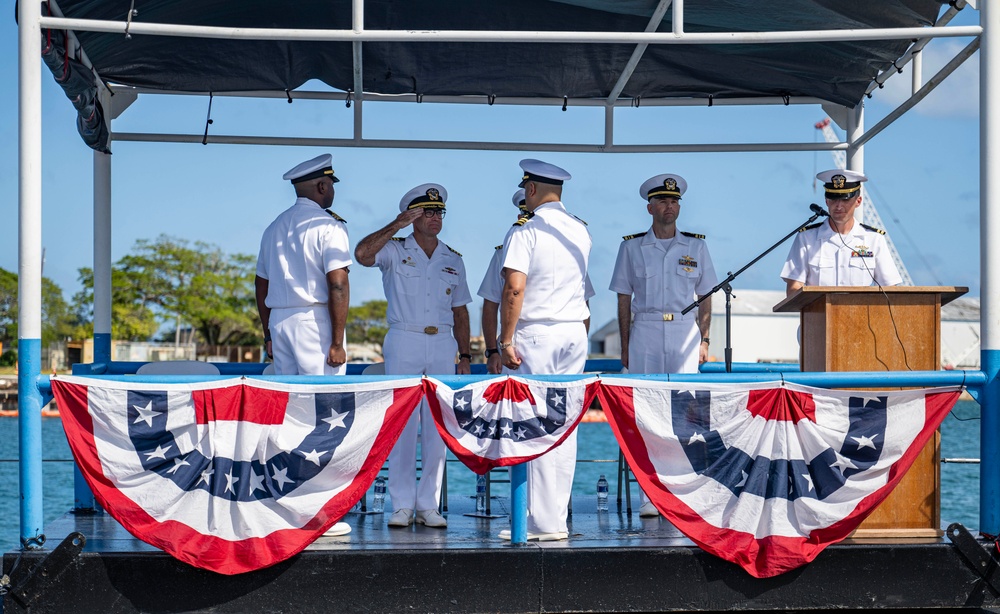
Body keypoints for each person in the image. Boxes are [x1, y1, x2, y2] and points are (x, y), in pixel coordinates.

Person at [354, 183, 473, 530]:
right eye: (427, 212)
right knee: (403, 424)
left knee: (438, 425)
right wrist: (396, 224)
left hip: (443, 343)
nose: (435, 217)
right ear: (413, 215)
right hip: (404, 338)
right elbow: (362, 255)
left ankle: (428, 503)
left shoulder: (453, 259)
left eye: (439, 212)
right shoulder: (394, 249)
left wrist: (464, 354)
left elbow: (461, 310)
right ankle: (402, 503)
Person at [609, 173, 717, 518]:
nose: (669, 206)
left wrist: (705, 340)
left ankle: (684, 489)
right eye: (663, 201)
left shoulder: (696, 246)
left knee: (688, 412)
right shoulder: (632, 247)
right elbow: (623, 300)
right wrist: (625, 346)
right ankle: (648, 491)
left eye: (674, 201)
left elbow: (707, 297)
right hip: (646, 331)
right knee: (646, 411)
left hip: (685, 331)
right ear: (650, 207)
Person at [255, 153, 352, 537]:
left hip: (281, 320)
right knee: (325, 417)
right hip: (316, 321)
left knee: (291, 415)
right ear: (322, 186)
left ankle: (290, 503)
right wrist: (338, 340)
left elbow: (260, 285)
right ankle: (318, 512)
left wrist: (267, 334)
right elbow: (338, 284)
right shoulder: (328, 227)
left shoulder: (274, 227)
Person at [497, 159, 592, 541]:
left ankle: (538, 522)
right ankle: (556, 520)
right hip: (574, 332)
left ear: (530, 190)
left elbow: (514, 288)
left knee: (532, 424)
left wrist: (505, 340)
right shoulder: (581, 231)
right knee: (564, 426)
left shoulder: (526, 229)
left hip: (537, 333)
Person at [781, 169, 903, 296]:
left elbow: (889, 289)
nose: (838, 206)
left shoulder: (873, 239)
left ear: (858, 201)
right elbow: (794, 288)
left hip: (861, 314)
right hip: (820, 314)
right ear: (826, 201)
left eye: (845, 200)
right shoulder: (806, 238)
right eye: (834, 199)